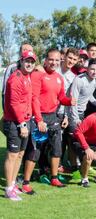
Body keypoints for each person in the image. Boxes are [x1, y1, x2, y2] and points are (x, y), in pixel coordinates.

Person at [30, 48, 76, 187]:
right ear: (45, 60)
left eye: (56, 60)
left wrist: (69, 101)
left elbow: (61, 97)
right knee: (38, 149)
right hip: (40, 116)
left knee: (57, 148)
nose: (54, 62)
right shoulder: (38, 75)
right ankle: (39, 174)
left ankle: (54, 177)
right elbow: (35, 99)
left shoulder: (59, 78)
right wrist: (38, 120)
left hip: (53, 116)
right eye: (51, 59)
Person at [3, 51, 36, 201]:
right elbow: (14, 104)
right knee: (12, 154)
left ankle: (12, 182)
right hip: (16, 122)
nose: (29, 64)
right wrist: (22, 123)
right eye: (27, 61)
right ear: (21, 61)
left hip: (26, 120)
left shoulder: (27, 77)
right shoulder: (15, 79)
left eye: (32, 61)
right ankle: (8, 189)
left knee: (21, 154)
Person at [67, 59, 96, 179]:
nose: (94, 72)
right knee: (73, 141)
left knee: (79, 140)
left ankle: (82, 165)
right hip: (72, 113)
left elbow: (89, 96)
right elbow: (73, 100)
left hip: (82, 113)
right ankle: (74, 167)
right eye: (92, 69)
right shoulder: (79, 80)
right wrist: (75, 118)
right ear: (87, 69)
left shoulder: (94, 81)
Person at [2, 43, 33, 110]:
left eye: (30, 50)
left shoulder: (33, 68)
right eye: (25, 50)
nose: (27, 52)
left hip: (26, 111)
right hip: (13, 110)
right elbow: (5, 92)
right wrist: (6, 111)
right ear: (20, 53)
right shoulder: (12, 68)